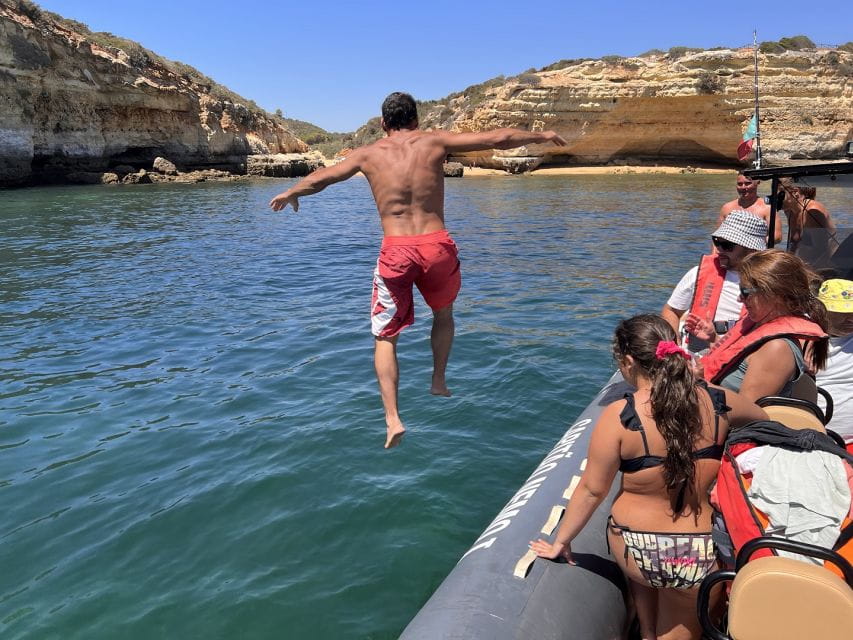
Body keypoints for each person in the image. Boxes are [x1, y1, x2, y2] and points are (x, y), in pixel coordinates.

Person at [269, 91, 567, 449]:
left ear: (383, 123)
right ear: (416, 120)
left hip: (396, 250)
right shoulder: (434, 140)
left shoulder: (368, 154)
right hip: (436, 245)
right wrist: (542, 136)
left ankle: (393, 418)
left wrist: (292, 192)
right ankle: (438, 380)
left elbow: (326, 176)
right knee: (443, 314)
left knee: (385, 337)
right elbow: (497, 138)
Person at [530, 314, 767, 640]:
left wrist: (561, 541)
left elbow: (591, 491)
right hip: (696, 554)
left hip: (636, 550)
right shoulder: (716, 400)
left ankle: (646, 631)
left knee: (643, 575)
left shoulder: (621, 416)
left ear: (628, 361)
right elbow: (763, 419)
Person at [691, 250, 830, 402]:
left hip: (735, 424)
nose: (739, 299)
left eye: (745, 291)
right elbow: (735, 362)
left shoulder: (778, 349)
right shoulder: (756, 324)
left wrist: (700, 383)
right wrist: (713, 339)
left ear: (774, 294)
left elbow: (748, 410)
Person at [662, 210, 767, 354]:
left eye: (727, 245)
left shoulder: (770, 281)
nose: (718, 250)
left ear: (750, 248)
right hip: (698, 346)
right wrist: (674, 345)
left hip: (744, 350)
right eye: (717, 242)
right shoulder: (698, 273)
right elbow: (671, 311)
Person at [815, 278, 853, 450]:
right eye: (843, 313)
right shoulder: (803, 338)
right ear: (823, 311)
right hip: (807, 437)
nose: (851, 319)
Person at [778, 177, 839, 269]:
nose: (776, 199)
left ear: (795, 192)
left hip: (824, 269)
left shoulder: (812, 211)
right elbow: (793, 245)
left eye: (780, 195)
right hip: (802, 266)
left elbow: (821, 251)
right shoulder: (789, 211)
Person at [718, 172, 782, 244]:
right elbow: (717, 237)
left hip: (756, 253)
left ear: (757, 183)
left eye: (748, 183)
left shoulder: (767, 208)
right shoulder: (727, 207)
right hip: (728, 252)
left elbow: (777, 236)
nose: (743, 187)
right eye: (740, 184)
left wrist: (750, 244)